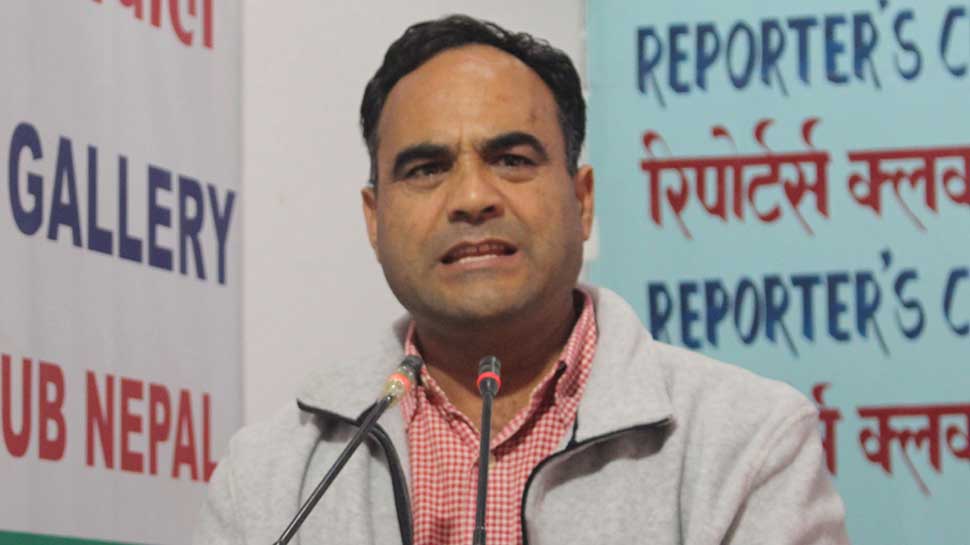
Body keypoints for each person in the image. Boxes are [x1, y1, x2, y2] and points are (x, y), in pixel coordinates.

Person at [194, 14, 850, 545]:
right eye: (426, 169)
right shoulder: (271, 477)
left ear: (582, 201)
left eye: (511, 159)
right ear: (375, 218)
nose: (472, 198)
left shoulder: (746, 443)